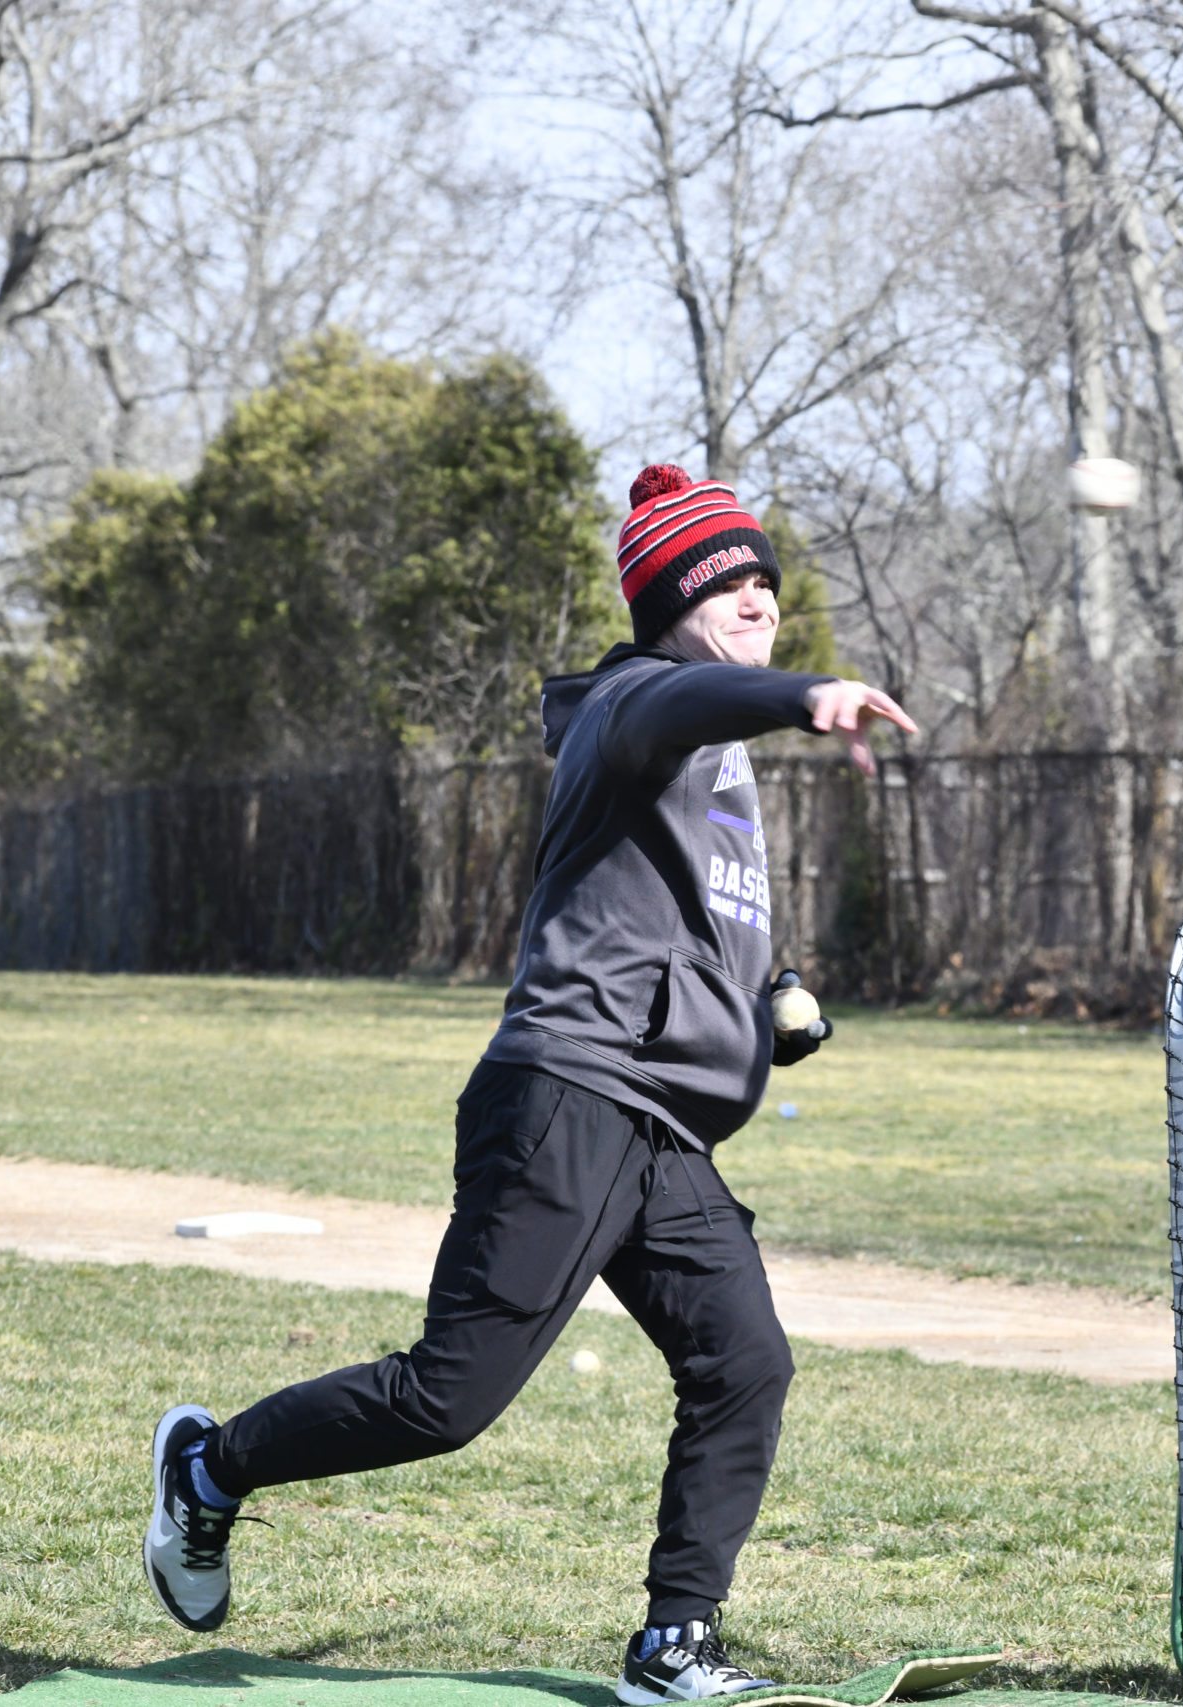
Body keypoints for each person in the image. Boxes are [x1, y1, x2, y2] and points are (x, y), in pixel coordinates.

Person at [143, 464, 917, 1702]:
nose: (761, 600)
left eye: (770, 583)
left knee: (745, 1363)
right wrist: (804, 694)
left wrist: (774, 993)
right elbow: (691, 704)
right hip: (569, 1096)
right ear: (671, 600)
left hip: (661, 1128)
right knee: (447, 1399)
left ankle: (674, 1643)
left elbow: (695, 917)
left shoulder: (715, 764)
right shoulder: (634, 704)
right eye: (732, 583)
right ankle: (207, 1470)